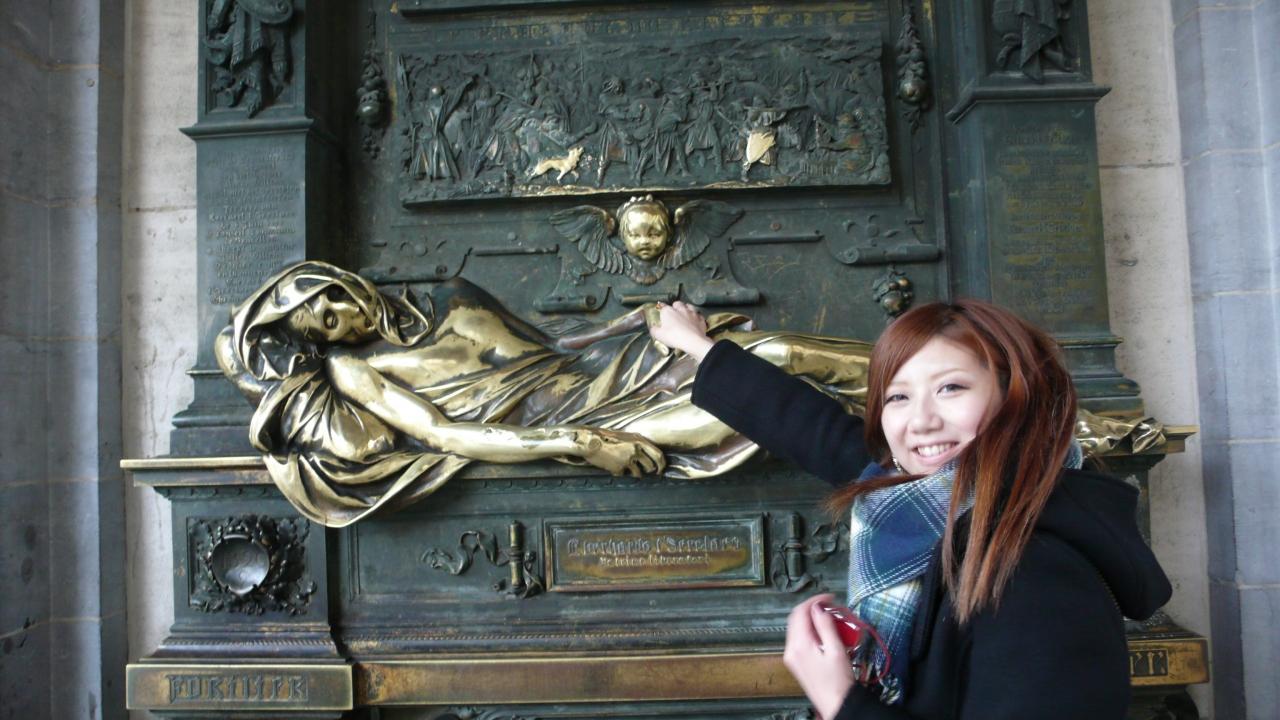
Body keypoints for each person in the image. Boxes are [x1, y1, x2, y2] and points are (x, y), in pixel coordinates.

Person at [648, 299, 1172, 719]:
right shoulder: (928, 498)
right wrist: (698, 346)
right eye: (897, 397)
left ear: (1018, 398)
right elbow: (811, 427)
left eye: (951, 387)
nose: (920, 421)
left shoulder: (1036, 572)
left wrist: (842, 701)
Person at [215, 261, 875, 527]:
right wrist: (580, 443)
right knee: (768, 368)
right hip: (583, 423)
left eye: (328, 300)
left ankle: (913, 404)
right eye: (325, 328)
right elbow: (444, 434)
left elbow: (550, 344)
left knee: (781, 351)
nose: (342, 317)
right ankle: (905, 447)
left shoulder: (444, 292)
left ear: (331, 279)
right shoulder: (353, 372)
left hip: (605, 372)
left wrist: (627, 324)